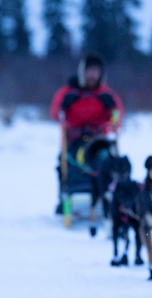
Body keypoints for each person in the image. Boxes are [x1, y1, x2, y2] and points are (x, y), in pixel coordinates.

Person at [50, 53, 124, 215]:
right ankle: (64, 198)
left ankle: (110, 194)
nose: (92, 75)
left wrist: (112, 111)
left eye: (96, 72)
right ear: (83, 72)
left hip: (98, 140)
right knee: (65, 163)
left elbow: (117, 118)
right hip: (74, 139)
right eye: (89, 71)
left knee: (107, 161)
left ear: (101, 74)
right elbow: (55, 113)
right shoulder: (68, 91)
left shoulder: (107, 94)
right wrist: (65, 105)